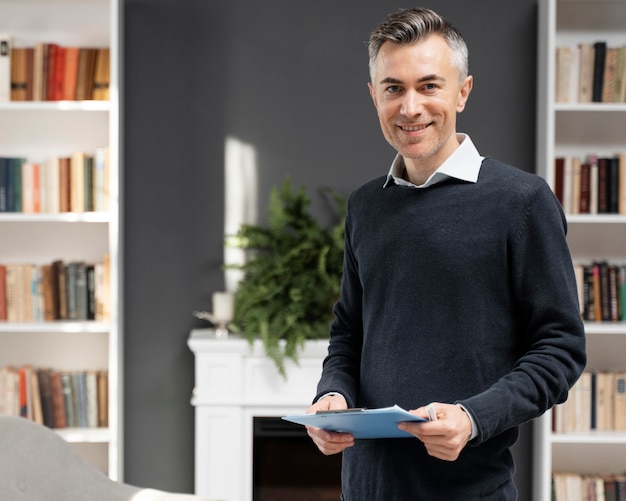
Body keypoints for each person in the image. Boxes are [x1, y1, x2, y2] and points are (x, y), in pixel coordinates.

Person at [306, 7, 586, 500]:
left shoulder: (522, 201)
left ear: (463, 91)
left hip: (469, 491)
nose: (410, 107)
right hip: (364, 488)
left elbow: (560, 350)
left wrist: (473, 417)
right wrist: (333, 395)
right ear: (374, 96)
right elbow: (349, 330)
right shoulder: (366, 205)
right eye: (393, 88)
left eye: (429, 86)